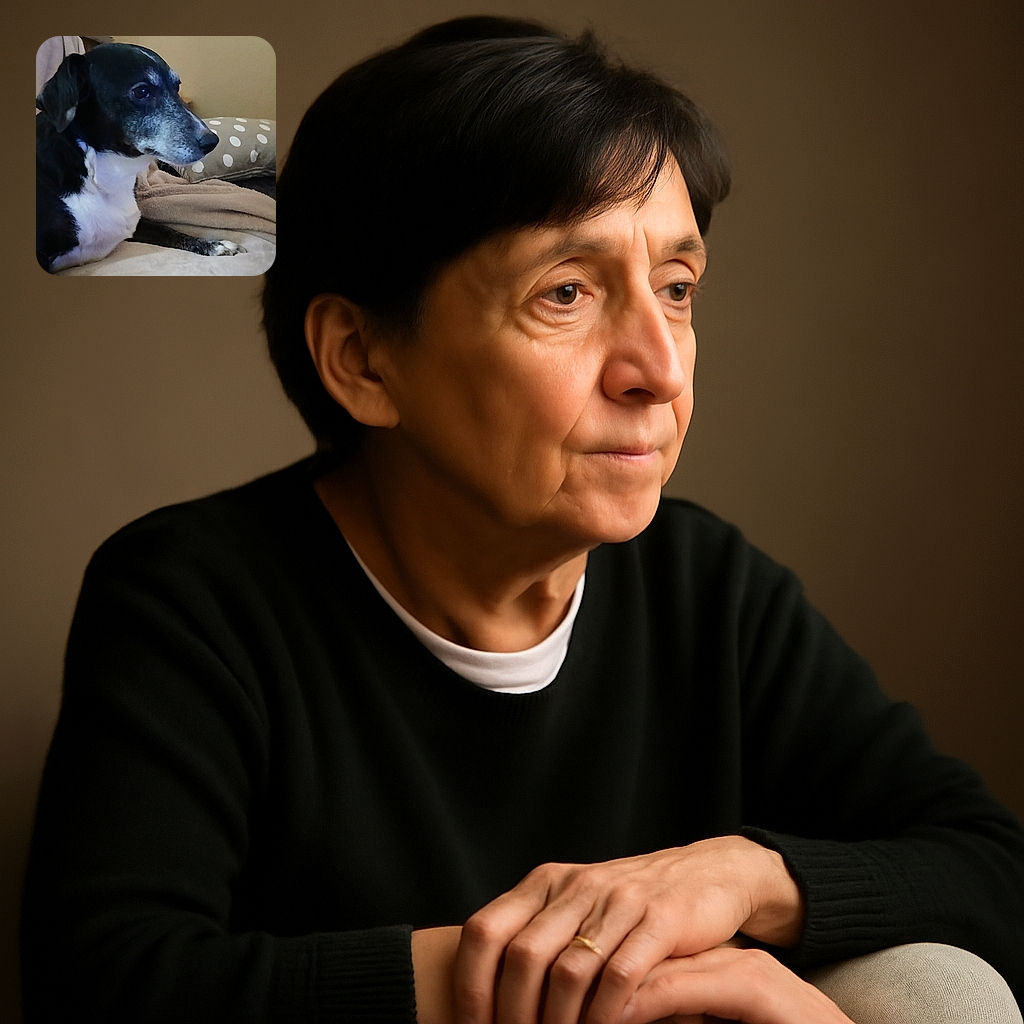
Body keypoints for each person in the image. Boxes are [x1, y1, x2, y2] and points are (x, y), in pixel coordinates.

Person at [20, 15, 1024, 1024]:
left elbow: (990, 867)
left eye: (676, 289)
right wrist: (586, 966)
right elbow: (105, 983)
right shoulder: (195, 597)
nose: (661, 370)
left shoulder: (708, 588)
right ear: (364, 361)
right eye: (567, 292)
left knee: (940, 994)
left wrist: (737, 877)